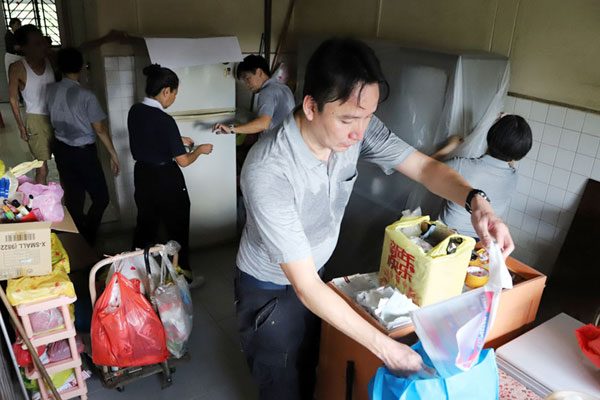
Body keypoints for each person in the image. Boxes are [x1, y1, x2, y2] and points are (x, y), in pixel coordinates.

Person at [235, 38, 514, 400]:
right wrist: (386, 348)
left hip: (316, 274)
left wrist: (478, 203)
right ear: (310, 106)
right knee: (280, 381)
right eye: (349, 119)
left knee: (310, 364)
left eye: (368, 116)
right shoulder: (268, 170)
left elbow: (426, 168)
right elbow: (304, 286)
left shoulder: (355, 132)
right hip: (270, 288)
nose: (360, 132)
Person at [128, 64, 213, 288]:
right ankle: (183, 277)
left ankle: (136, 275)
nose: (173, 99)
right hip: (166, 178)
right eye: (174, 94)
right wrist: (199, 151)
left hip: (143, 174)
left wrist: (177, 138)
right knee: (177, 227)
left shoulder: (135, 111)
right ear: (166, 90)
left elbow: (149, 136)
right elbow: (183, 161)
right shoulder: (166, 121)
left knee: (146, 223)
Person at [8, 24, 125, 184]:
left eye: (42, 41)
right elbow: (13, 98)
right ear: (24, 48)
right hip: (36, 120)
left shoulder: (51, 58)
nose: (43, 45)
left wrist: (106, 39)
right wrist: (21, 127)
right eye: (37, 43)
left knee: (63, 162)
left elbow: (77, 51)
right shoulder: (17, 68)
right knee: (41, 167)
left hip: (56, 117)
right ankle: (41, 202)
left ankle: (66, 198)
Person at [46, 47, 120, 245]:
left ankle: (79, 240)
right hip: (83, 153)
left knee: (74, 199)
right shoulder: (86, 96)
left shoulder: (50, 90)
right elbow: (100, 129)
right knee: (101, 198)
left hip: (61, 149)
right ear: (81, 67)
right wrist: (113, 153)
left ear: (60, 67)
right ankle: (88, 235)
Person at [431, 114, 532, 239]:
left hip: (444, 234)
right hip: (479, 240)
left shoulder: (460, 165)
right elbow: (509, 160)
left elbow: (425, 167)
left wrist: (451, 145)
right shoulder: (513, 177)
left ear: (490, 136)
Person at [212, 55, 295, 138]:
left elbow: (263, 124)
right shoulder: (284, 88)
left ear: (259, 72)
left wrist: (232, 129)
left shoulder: (267, 92)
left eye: (247, 78)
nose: (246, 84)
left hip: (276, 146)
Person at [4, 18, 22, 82]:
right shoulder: (8, 35)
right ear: (12, 25)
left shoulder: (20, 35)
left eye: (20, 24)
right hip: (12, 57)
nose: (19, 26)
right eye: (17, 24)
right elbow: (15, 47)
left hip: (19, 57)